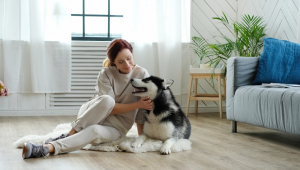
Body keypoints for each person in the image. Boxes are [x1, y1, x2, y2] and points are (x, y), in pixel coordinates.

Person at [22, 39, 153, 159]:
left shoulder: (142, 75)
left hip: (116, 128)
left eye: (129, 58)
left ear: (132, 53)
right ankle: (71, 133)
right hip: (93, 113)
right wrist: (137, 105)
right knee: (108, 100)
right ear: (113, 62)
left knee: (95, 131)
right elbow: (109, 108)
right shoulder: (106, 73)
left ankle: (46, 149)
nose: (127, 64)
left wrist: (141, 137)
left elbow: (144, 109)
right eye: (120, 61)